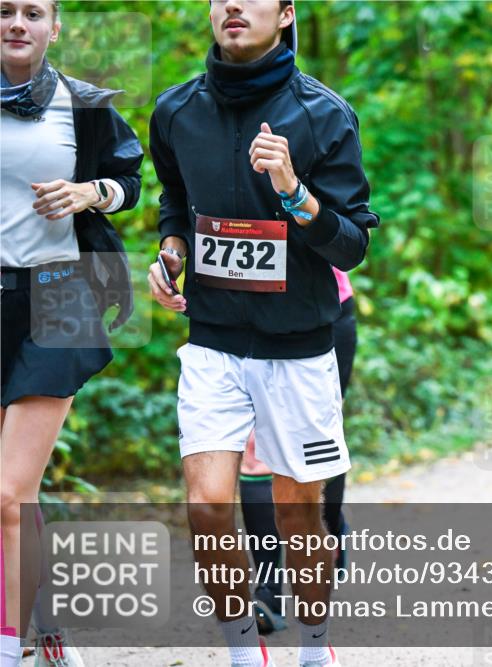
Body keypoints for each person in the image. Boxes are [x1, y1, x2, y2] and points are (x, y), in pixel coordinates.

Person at [146, 1, 377, 665]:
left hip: (300, 345)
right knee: (207, 507)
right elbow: (174, 202)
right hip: (213, 341)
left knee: (299, 515)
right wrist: (170, 254)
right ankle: (245, 653)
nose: (231, 7)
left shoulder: (324, 115)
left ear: (285, 13)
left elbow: (353, 245)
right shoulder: (176, 112)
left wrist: (294, 190)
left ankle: (313, 646)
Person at [1, 1, 143, 665]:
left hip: (58, 295)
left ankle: (9, 644)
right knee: (13, 495)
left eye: (33, 12)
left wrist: (89, 193)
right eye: (5, 11)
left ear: (55, 27)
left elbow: (129, 181)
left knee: (7, 488)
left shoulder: (81, 104)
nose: (17, 22)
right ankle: (46, 621)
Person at [239, 268, 355, 636]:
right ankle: (269, 591)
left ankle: (330, 530)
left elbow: (352, 230)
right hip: (240, 315)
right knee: (254, 450)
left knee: (320, 441)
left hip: (323, 310)